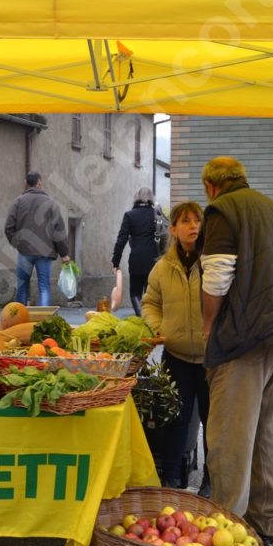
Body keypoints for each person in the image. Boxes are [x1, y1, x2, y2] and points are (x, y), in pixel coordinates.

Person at [199, 156, 273, 544]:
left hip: (244, 336)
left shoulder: (223, 210)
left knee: (231, 434)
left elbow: (219, 273)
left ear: (211, 186)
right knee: (271, 428)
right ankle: (266, 518)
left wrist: (210, 325)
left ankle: (228, 521)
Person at [141, 201, 210, 495]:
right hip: (177, 354)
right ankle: (169, 478)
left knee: (214, 423)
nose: (193, 225)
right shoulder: (162, 267)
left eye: (197, 220)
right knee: (175, 419)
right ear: (173, 229)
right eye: (186, 221)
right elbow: (150, 303)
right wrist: (159, 328)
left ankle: (212, 479)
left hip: (212, 358)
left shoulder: (213, 263)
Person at [4, 171, 70, 306]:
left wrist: (18, 244)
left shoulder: (18, 202)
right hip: (45, 252)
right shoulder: (51, 203)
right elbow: (59, 230)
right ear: (39, 183)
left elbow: (9, 227)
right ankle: (43, 321)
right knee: (44, 287)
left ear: (25, 183)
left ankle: (20, 322)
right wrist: (64, 253)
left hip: (25, 252)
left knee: (22, 287)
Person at [111, 187, 161, 316]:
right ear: (151, 198)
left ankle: (141, 318)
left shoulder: (130, 215)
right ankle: (151, 320)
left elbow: (121, 240)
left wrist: (115, 262)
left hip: (136, 260)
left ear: (136, 198)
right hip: (155, 260)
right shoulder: (156, 215)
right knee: (152, 294)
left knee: (135, 293)